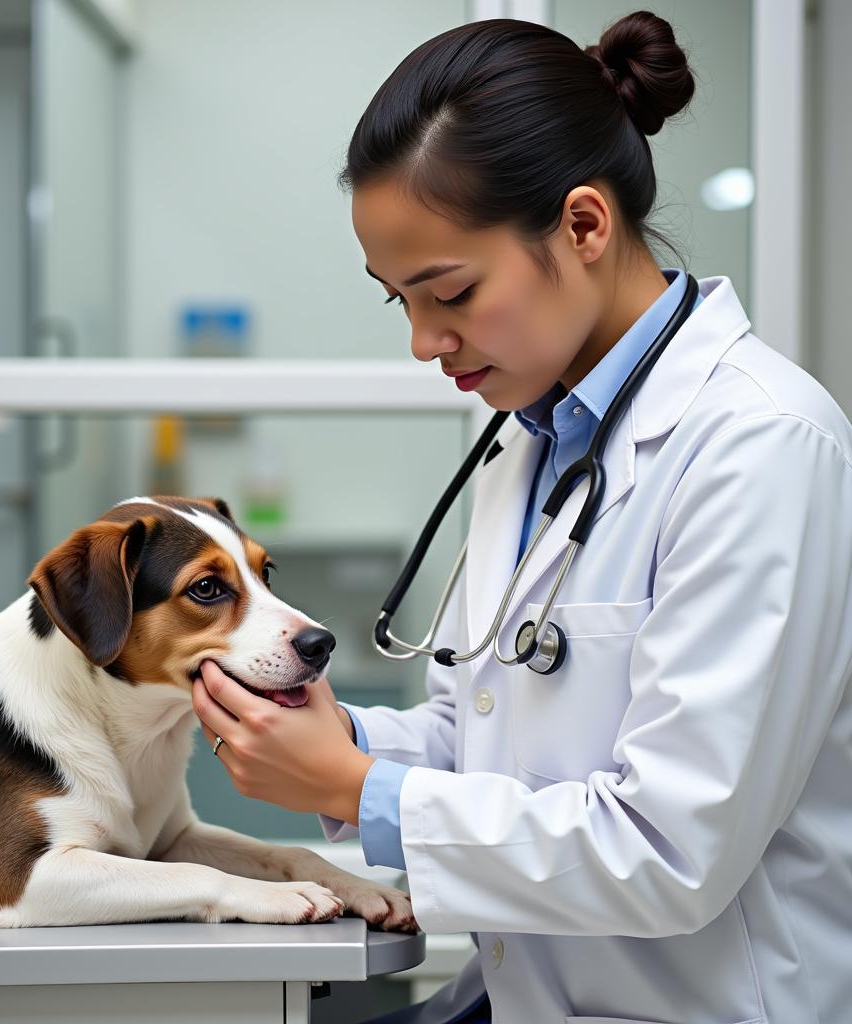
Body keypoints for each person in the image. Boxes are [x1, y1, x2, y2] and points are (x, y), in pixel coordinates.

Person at [192, 11, 852, 1023]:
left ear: (583, 225)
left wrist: (364, 787)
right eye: (396, 301)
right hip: (520, 997)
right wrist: (337, 738)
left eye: (446, 290)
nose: (422, 341)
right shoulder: (530, 440)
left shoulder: (760, 445)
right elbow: (481, 739)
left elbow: (668, 851)